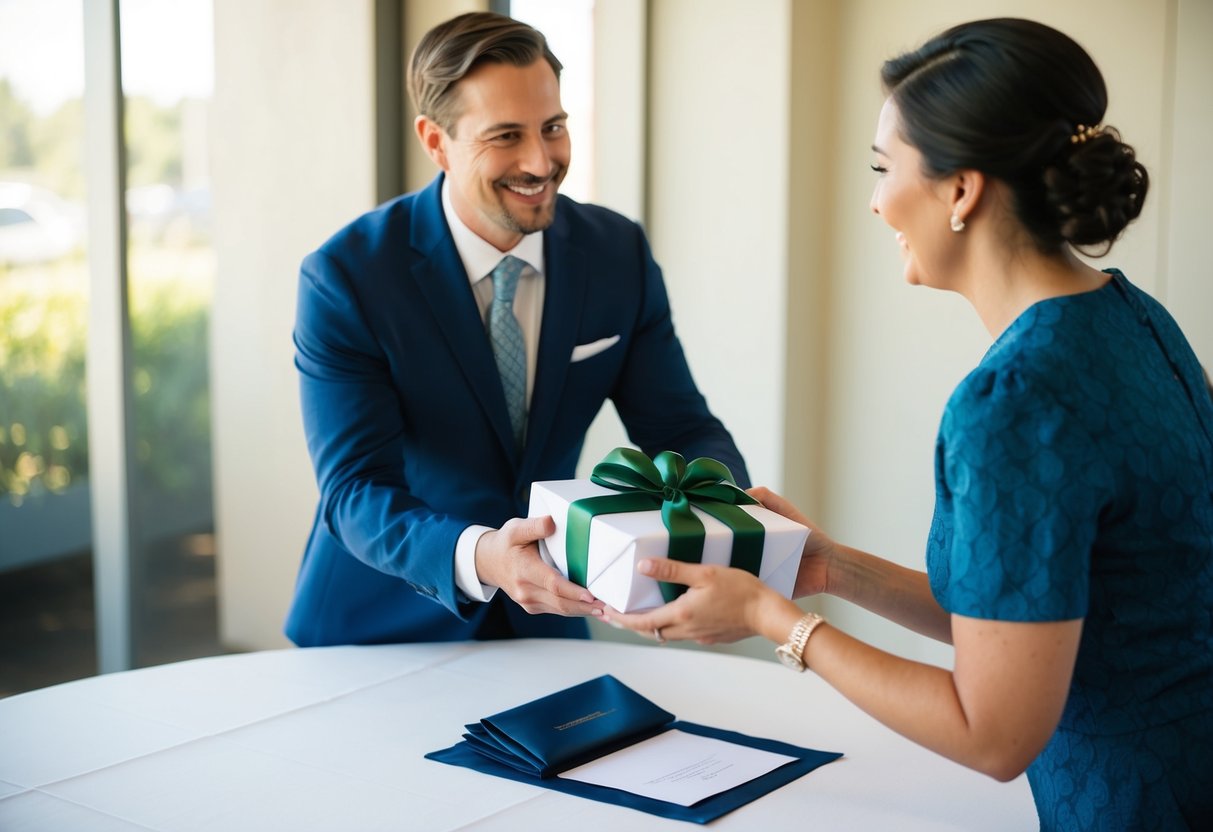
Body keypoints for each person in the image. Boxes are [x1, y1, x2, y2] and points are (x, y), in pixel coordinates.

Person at [602, 18, 1212, 830]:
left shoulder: (1014, 400)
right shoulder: (1138, 318)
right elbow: (1031, 616)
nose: (874, 198)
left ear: (961, 190)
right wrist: (829, 567)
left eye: (884, 167)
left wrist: (771, 619)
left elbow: (992, 734)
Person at [286, 12, 747, 647]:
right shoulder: (347, 279)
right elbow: (355, 490)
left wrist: (730, 525)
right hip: (380, 628)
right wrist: (484, 558)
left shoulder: (617, 255)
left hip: (548, 621)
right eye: (505, 136)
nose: (540, 160)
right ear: (435, 141)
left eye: (552, 127)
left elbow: (681, 429)